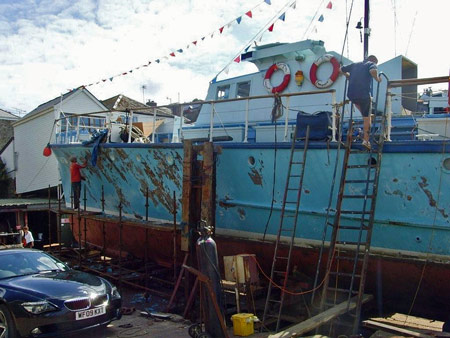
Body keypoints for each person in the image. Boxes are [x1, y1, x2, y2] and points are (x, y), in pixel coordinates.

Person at [341, 55, 381, 149]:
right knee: (367, 118)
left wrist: (347, 75)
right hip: (363, 95)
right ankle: (366, 140)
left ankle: (354, 131)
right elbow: (373, 71)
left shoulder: (355, 65)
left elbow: (340, 69)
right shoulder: (371, 64)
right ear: (374, 61)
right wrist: (377, 79)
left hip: (351, 95)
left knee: (364, 113)